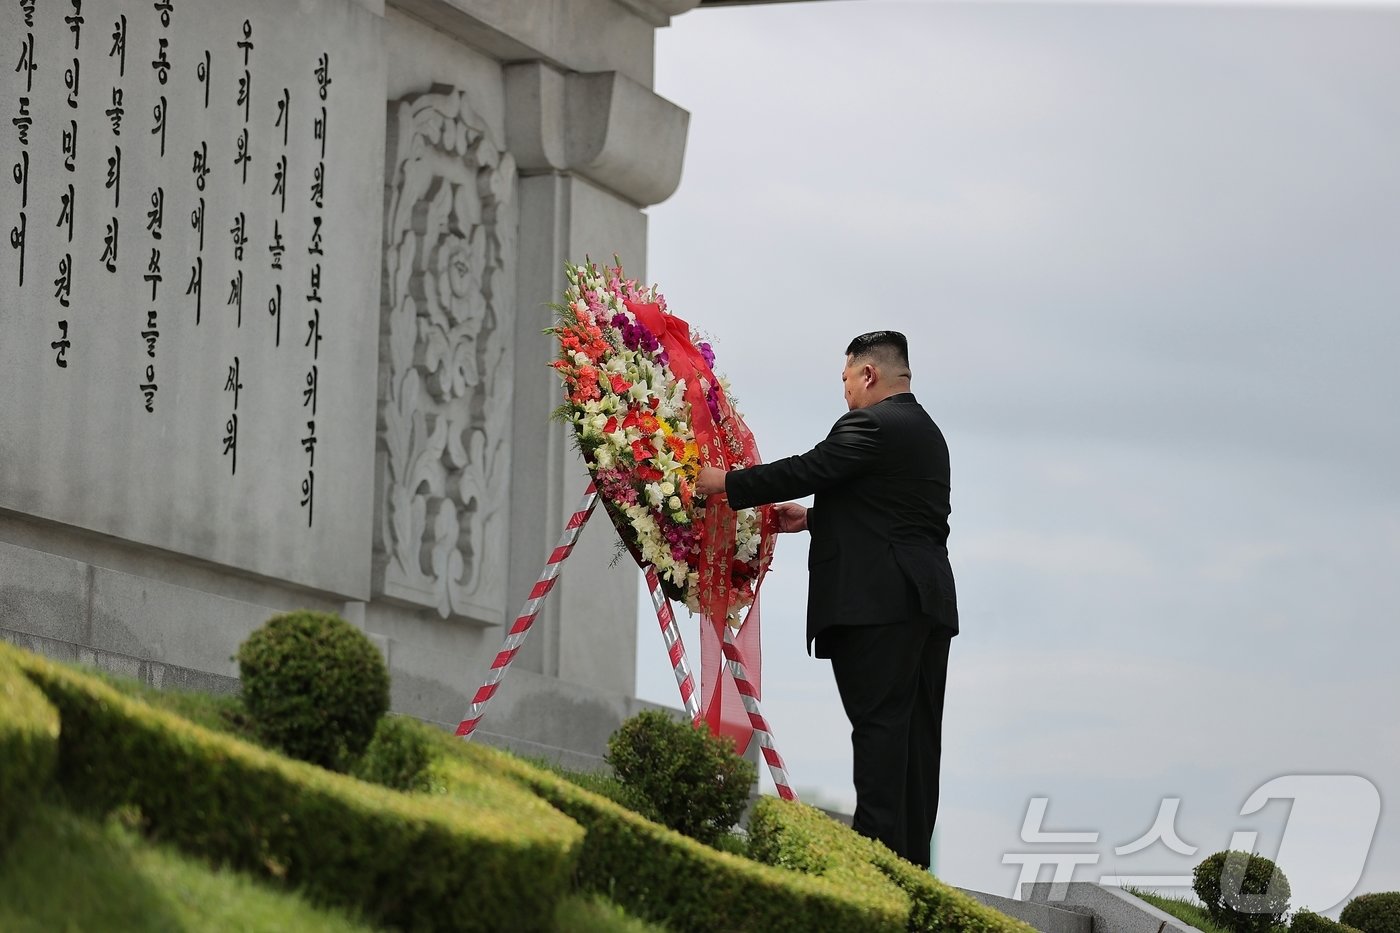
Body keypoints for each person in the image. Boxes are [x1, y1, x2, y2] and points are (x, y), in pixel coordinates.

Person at [695, 330, 958, 869]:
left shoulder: (871, 424)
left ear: (869, 374)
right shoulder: (927, 432)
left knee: (879, 735)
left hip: (879, 605)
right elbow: (892, 510)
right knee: (916, 743)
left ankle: (873, 866)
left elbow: (809, 468)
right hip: (927, 603)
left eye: (846, 379)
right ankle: (910, 868)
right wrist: (815, 518)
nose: (844, 392)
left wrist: (725, 481)